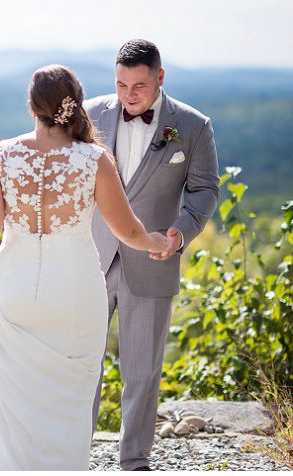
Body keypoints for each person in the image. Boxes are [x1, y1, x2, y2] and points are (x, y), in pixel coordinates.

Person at [0, 64, 170, 470]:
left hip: (14, 296)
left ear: (32, 107)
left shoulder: (2, 157)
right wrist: (157, 241)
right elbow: (129, 231)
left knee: (15, 404)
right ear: (75, 105)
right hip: (76, 298)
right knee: (70, 405)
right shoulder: (95, 160)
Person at [85, 39, 220, 471]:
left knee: (142, 371)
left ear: (160, 78)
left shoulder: (193, 126)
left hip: (155, 260)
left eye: (139, 85)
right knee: (80, 362)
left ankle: (135, 459)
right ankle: (72, 455)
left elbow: (204, 190)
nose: (129, 95)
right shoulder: (91, 114)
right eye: (122, 84)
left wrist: (180, 234)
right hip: (90, 258)